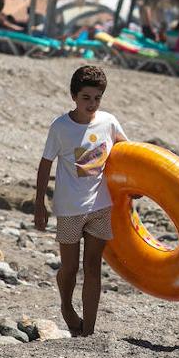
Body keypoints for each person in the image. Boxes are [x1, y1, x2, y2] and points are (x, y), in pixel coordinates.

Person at [33, 65, 129, 336]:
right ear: (74, 96)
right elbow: (44, 166)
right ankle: (66, 306)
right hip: (69, 209)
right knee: (70, 267)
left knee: (93, 267)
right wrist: (39, 204)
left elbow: (128, 153)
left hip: (100, 206)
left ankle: (88, 331)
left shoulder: (108, 122)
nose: (92, 104)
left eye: (97, 98)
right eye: (86, 98)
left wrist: (134, 189)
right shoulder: (60, 127)